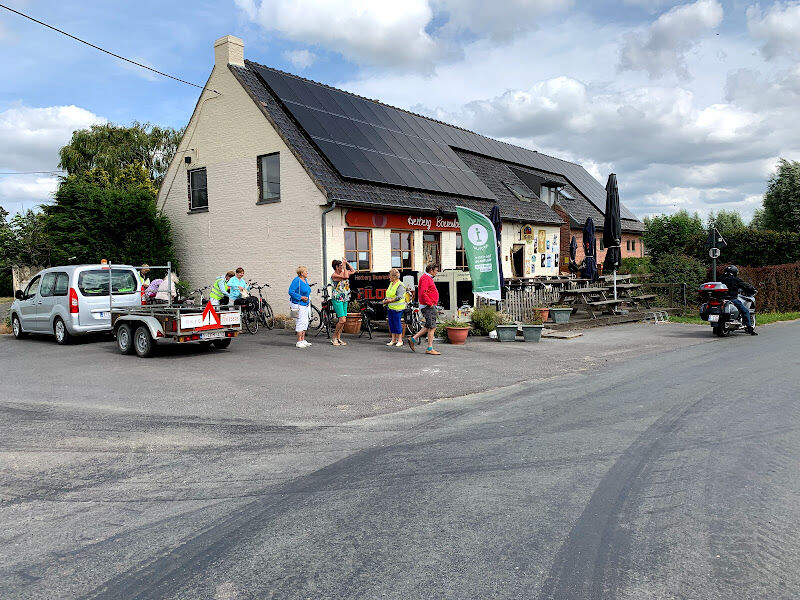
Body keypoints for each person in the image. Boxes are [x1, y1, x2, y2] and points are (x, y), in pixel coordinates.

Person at [408, 263, 440, 355]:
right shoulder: (426, 278)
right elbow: (423, 292)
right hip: (428, 306)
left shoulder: (426, 277)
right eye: (436, 270)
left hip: (427, 305)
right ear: (431, 270)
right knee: (432, 327)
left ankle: (413, 339)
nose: (437, 272)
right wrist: (430, 303)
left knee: (429, 325)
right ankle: (429, 348)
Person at [720, 265, 758, 335]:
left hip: (720, 299)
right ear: (734, 272)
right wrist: (752, 290)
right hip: (731, 298)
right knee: (745, 311)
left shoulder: (720, 279)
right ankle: (749, 329)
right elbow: (745, 286)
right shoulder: (735, 280)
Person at [329, 258, 355, 346]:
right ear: (336, 267)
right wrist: (344, 267)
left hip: (345, 298)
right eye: (340, 266)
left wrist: (346, 263)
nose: (342, 267)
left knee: (344, 320)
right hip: (337, 299)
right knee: (342, 319)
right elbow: (346, 277)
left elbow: (353, 271)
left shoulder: (344, 272)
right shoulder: (334, 275)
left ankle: (338, 338)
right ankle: (334, 338)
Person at [289, 266, 312, 348]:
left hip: (305, 304)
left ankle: (303, 339)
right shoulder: (296, 280)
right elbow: (291, 291)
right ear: (301, 273)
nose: (307, 273)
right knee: (300, 321)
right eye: (306, 271)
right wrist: (301, 297)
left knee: (305, 321)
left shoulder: (305, 280)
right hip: (298, 304)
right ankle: (299, 341)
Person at [382, 268, 407, 346]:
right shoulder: (391, 284)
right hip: (390, 307)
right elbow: (389, 294)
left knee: (397, 323)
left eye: (389, 276)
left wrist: (389, 301)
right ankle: (393, 340)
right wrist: (386, 300)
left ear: (394, 276)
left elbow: (399, 297)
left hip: (397, 308)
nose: (388, 277)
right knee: (391, 323)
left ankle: (400, 340)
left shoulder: (400, 285)